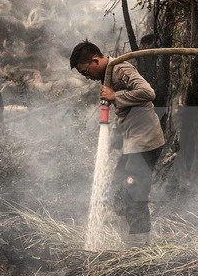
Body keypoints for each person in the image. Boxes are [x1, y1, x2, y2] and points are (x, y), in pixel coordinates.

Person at [70, 41, 164, 246]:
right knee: (118, 192)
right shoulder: (107, 75)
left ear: (95, 60)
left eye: (86, 72)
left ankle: (139, 251)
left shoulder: (120, 68)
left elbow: (148, 93)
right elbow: (125, 112)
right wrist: (113, 140)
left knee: (133, 195)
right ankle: (128, 241)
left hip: (146, 141)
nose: (87, 77)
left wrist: (115, 96)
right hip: (134, 142)